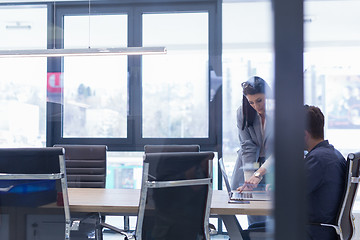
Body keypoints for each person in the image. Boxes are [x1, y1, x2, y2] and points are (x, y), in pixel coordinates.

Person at [230, 76, 274, 224]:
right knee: (255, 216)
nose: (256, 106)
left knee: (275, 213)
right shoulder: (243, 113)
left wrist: (259, 174)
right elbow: (247, 147)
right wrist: (250, 179)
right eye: (251, 102)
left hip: (274, 165)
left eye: (259, 100)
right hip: (252, 162)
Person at [304, 105, 346, 240]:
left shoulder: (318, 160)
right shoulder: (331, 153)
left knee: (249, 234)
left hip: (312, 231)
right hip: (321, 229)